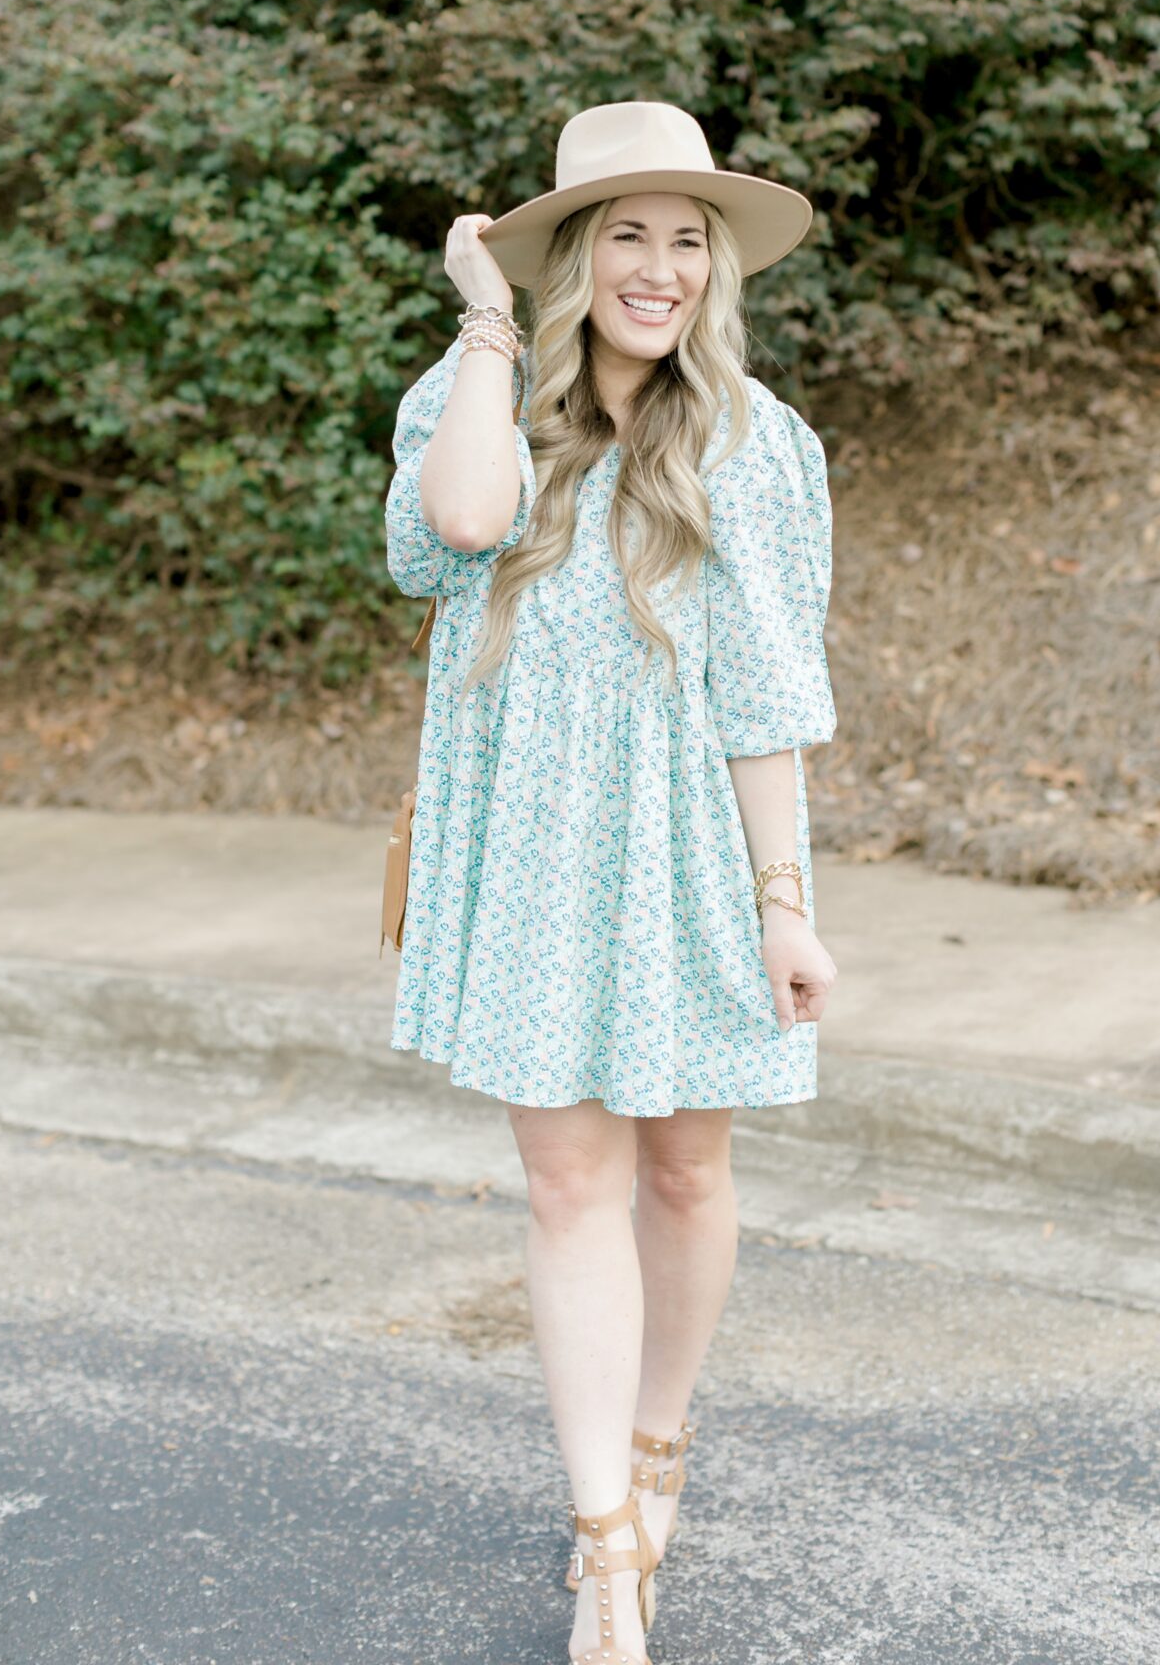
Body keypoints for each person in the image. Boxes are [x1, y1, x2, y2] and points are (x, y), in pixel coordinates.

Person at [384, 100, 839, 1665]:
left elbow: (766, 694)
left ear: (716, 269)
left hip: (690, 862)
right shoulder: (472, 402)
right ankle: (601, 1555)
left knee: (683, 1175)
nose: (659, 267)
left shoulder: (758, 443)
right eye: (625, 234)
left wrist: (786, 900)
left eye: (686, 238)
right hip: (526, 861)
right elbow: (456, 525)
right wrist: (488, 327)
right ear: (575, 255)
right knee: (567, 1183)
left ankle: (659, 1447)